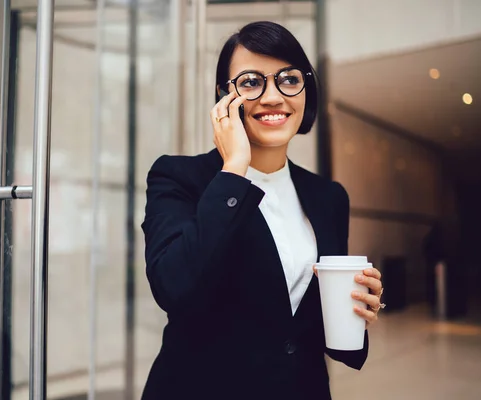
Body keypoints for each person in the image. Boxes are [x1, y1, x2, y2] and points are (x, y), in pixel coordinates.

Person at [140, 21, 385, 400]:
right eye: (251, 82)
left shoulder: (328, 196)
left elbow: (307, 327)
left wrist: (359, 307)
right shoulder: (180, 177)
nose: (273, 97)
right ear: (225, 97)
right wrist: (234, 167)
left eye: (288, 79)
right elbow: (175, 288)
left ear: (306, 89)